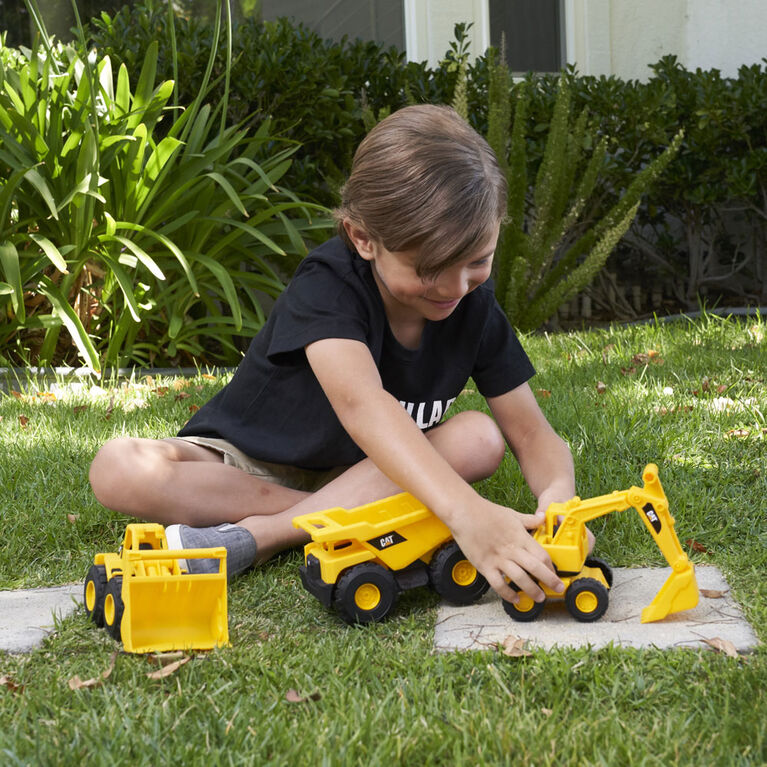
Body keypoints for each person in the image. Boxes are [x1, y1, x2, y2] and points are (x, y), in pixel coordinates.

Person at [89, 104, 576, 606]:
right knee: (118, 467)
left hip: (371, 471)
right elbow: (364, 406)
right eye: (430, 268)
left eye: (478, 260)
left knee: (479, 437)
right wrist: (466, 512)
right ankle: (337, 519)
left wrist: (559, 504)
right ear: (363, 238)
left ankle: (265, 535)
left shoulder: (474, 304)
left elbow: (530, 432)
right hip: (249, 467)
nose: (457, 286)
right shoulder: (328, 285)